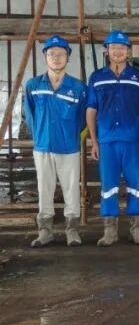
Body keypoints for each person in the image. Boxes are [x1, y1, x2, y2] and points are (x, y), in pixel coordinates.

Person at [87, 30, 139, 246]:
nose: (118, 51)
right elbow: (91, 110)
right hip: (106, 141)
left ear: (128, 51)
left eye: (122, 48)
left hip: (133, 140)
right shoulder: (96, 77)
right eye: (113, 47)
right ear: (107, 50)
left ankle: (136, 229)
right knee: (108, 185)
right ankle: (110, 231)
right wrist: (94, 141)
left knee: (135, 184)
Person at [24, 35, 87, 247]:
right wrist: (39, 135)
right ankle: (45, 231)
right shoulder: (33, 85)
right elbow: (29, 115)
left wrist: (71, 135)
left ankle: (72, 230)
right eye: (51, 54)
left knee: (71, 188)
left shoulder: (77, 87)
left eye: (61, 54)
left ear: (68, 57)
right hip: (42, 146)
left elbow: (82, 117)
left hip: (68, 147)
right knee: (44, 188)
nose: (56, 58)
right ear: (45, 57)